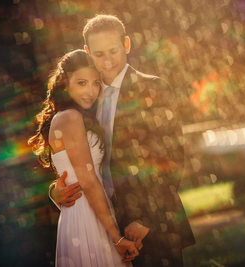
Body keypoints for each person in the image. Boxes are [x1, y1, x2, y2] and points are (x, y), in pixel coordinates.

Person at [49, 15, 195, 266]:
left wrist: (147, 218)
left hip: (150, 226)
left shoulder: (152, 89)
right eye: (99, 54)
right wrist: (55, 192)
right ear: (87, 52)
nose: (107, 61)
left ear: (126, 45)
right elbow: (71, 161)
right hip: (102, 226)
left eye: (114, 51)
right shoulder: (84, 100)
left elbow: (172, 159)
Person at [28, 49, 139, 266]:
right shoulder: (70, 117)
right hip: (86, 216)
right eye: (82, 83)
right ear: (65, 83)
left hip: (96, 211)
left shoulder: (79, 116)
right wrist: (117, 239)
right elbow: (87, 181)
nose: (91, 91)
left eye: (96, 83)